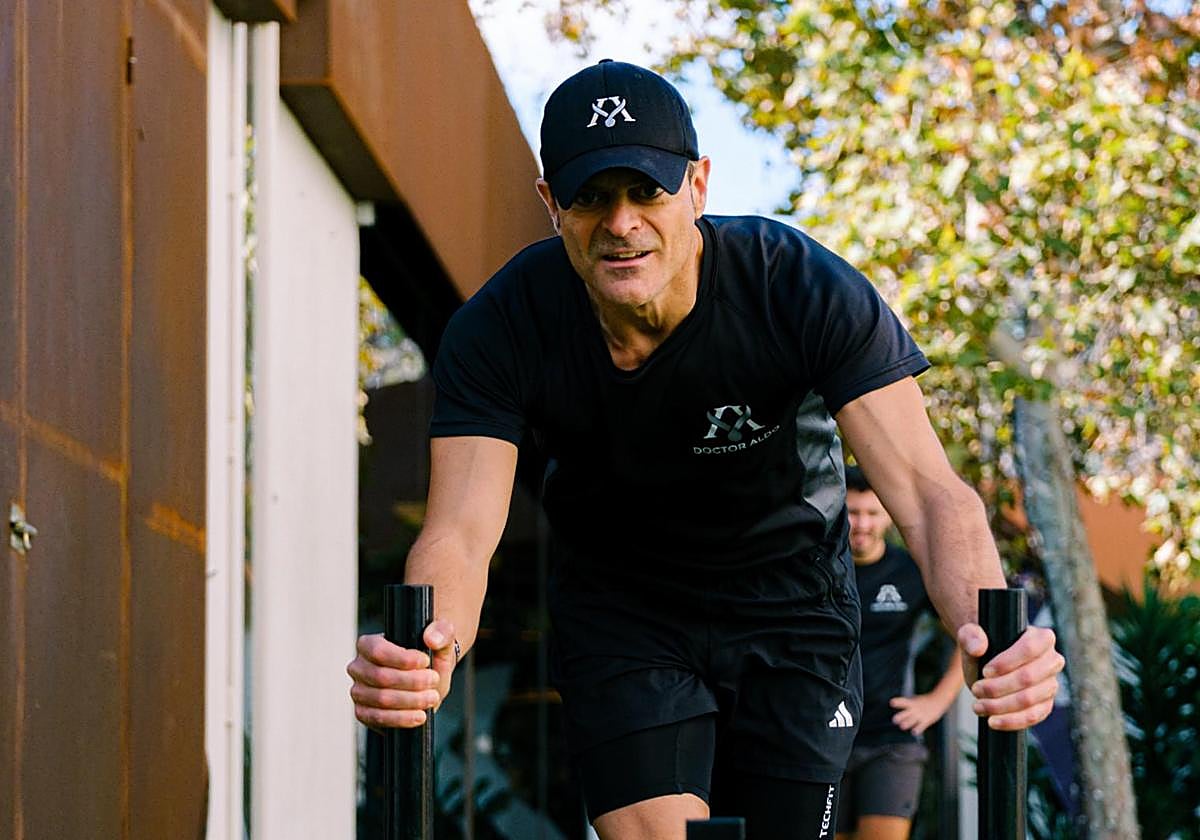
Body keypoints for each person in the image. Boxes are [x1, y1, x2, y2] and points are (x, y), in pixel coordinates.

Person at [347, 60, 1063, 840]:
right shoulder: (502, 328)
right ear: (552, 204)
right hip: (626, 613)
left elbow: (929, 494)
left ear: (698, 185)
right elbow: (459, 532)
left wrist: (986, 637)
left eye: (645, 191)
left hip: (792, 605)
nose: (620, 222)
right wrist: (432, 653)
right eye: (590, 196)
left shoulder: (798, 287)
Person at [836, 466, 964, 840]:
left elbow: (967, 635)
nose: (861, 524)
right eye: (852, 513)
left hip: (891, 738)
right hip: (825, 735)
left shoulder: (910, 571)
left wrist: (938, 702)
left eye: (872, 513)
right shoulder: (820, 570)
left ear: (888, 514)